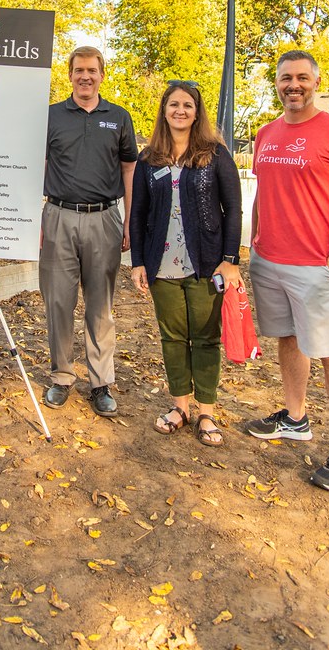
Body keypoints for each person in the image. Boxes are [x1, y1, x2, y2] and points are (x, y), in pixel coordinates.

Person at [247, 50, 329, 492]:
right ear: (276, 83)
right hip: (270, 261)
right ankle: (295, 418)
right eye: (285, 78)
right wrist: (255, 243)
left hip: (317, 266)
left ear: (316, 81)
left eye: (301, 77)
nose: (293, 85)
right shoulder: (266, 134)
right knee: (288, 339)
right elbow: (262, 194)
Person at [129, 81, 242, 446]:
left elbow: (234, 209)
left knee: (206, 338)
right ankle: (180, 407)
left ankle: (206, 411)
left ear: (197, 112)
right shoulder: (149, 159)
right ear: (164, 110)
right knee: (173, 337)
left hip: (207, 263)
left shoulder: (215, 154)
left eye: (187, 105)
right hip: (161, 265)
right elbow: (139, 212)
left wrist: (230, 261)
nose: (180, 110)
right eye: (173, 104)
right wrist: (138, 263)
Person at [39, 46, 138, 417]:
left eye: (92, 70)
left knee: (100, 306)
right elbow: (37, 165)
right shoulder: (50, 117)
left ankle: (100, 382)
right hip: (58, 216)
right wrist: (35, 218)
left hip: (105, 218)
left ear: (102, 74)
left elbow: (129, 170)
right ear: (69, 75)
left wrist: (129, 219)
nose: (85, 76)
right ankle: (62, 376)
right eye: (79, 70)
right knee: (59, 302)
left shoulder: (119, 117)